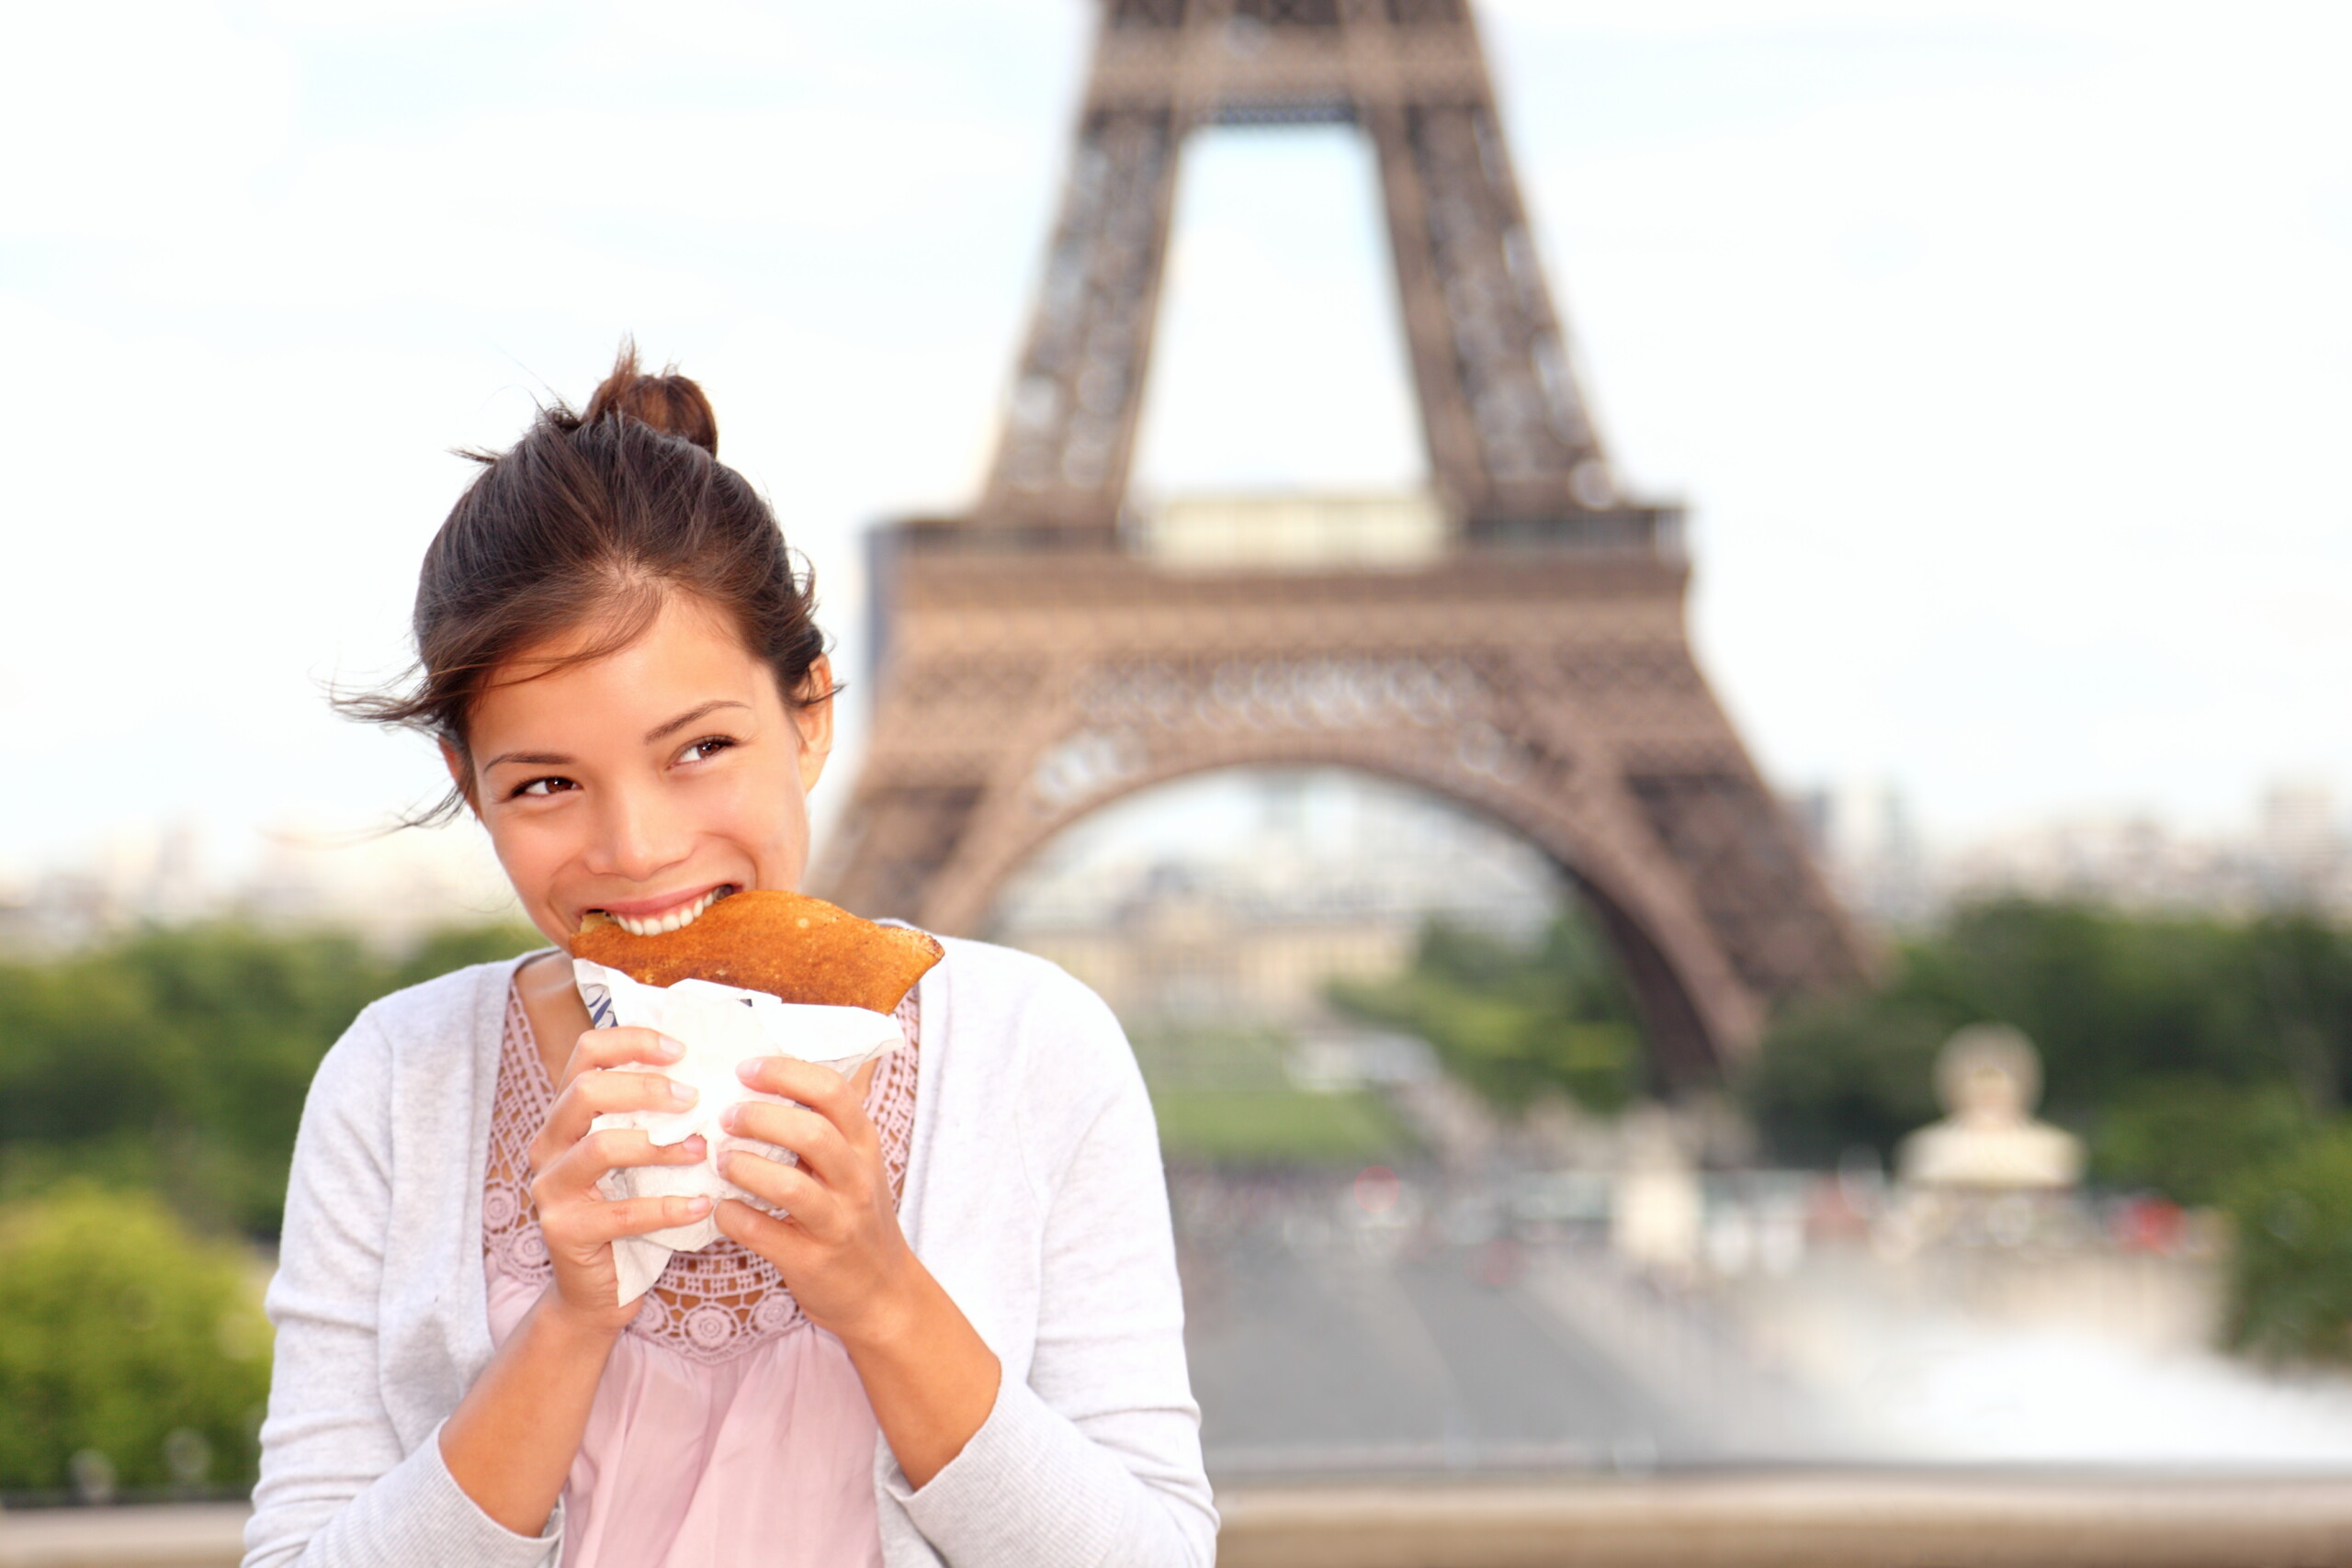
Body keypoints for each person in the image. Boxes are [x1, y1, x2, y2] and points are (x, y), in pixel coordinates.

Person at [243, 349, 1216, 1568]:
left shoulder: (1031, 1046)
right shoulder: (400, 1077)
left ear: (808, 712)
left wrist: (876, 1289)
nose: (638, 848)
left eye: (699, 749)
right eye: (546, 783)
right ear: (469, 788)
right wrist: (570, 1320)